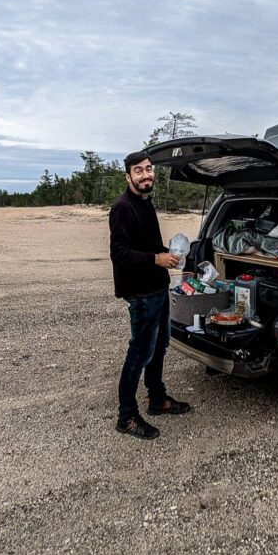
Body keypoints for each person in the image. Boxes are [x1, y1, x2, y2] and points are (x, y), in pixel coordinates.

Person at [109, 150, 192, 439]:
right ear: (128, 176)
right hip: (141, 293)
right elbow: (119, 254)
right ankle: (127, 417)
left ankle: (157, 400)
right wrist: (155, 259)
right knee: (140, 353)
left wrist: (168, 254)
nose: (146, 175)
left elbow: (149, 245)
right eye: (139, 171)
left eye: (148, 169)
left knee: (159, 347)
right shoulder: (122, 207)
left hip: (158, 287)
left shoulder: (146, 202)